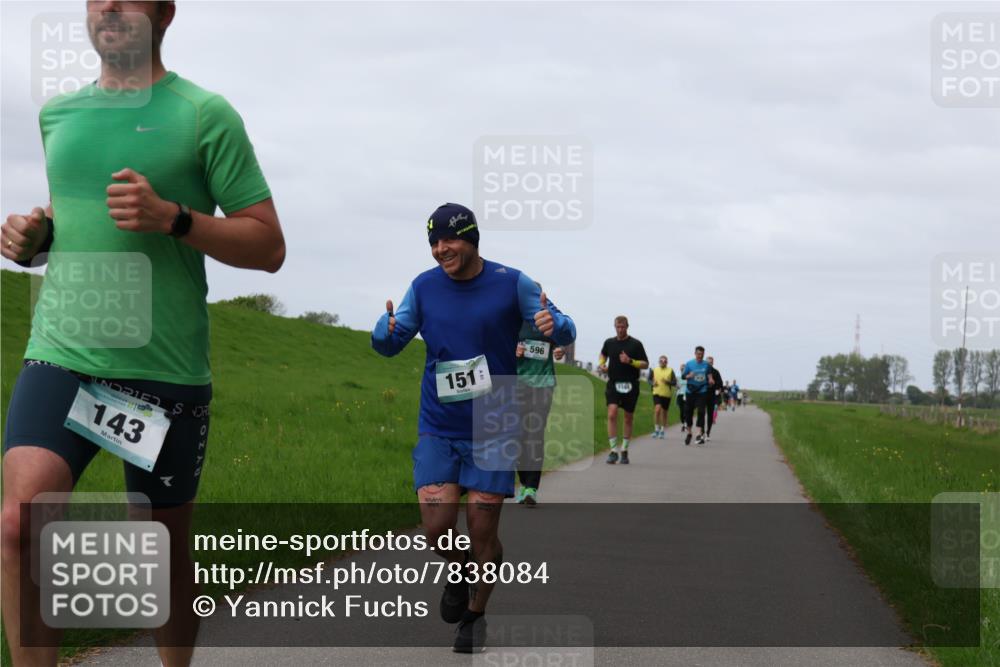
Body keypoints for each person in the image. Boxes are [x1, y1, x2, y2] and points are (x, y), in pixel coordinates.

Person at [1, 3, 285, 666]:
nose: (109, 7)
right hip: (64, 351)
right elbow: (79, 225)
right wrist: (37, 241)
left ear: (164, 13)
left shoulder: (204, 114)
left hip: (162, 369)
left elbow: (268, 245)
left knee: (158, 550)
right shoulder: (58, 115)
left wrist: (177, 219)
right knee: (18, 523)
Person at [371, 203, 575, 653]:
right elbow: (391, 341)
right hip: (439, 424)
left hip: (495, 422)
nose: (440, 249)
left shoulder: (512, 283)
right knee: (437, 527)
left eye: (448, 239)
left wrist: (554, 324)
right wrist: (384, 331)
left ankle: (475, 615)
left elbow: (563, 326)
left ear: (472, 238)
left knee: (483, 530)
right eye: (433, 242)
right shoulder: (424, 288)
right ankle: (460, 570)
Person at [514, 304, 565, 507]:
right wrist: (513, 348)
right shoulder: (514, 321)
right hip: (518, 384)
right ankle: (524, 483)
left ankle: (532, 489)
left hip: (544, 384)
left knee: (535, 433)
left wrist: (560, 350)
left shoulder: (548, 320)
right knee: (518, 436)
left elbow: (562, 341)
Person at [598, 316, 648, 465]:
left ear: (627, 327)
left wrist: (630, 361)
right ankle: (613, 451)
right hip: (613, 383)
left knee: (628, 417)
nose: (620, 330)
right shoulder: (609, 342)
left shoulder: (636, 344)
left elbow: (645, 364)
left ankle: (624, 450)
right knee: (612, 413)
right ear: (614, 327)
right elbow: (603, 354)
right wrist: (601, 364)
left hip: (631, 385)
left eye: (623, 327)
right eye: (617, 327)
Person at [682, 346, 714, 445]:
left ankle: (699, 433)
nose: (700, 356)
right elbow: (683, 376)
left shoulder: (706, 365)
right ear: (695, 354)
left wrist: (710, 380)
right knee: (688, 412)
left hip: (702, 390)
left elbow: (709, 375)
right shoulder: (689, 364)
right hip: (690, 391)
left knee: (701, 411)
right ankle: (689, 433)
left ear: (703, 354)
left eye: (701, 354)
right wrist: (689, 376)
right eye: (698, 354)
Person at [650, 356, 676, 439]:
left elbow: (674, 382)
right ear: (659, 361)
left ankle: (662, 430)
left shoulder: (670, 370)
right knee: (657, 410)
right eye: (661, 361)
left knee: (664, 413)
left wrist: (668, 382)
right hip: (656, 393)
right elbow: (649, 379)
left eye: (664, 361)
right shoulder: (654, 370)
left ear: (667, 362)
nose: (663, 362)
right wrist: (652, 383)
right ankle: (656, 429)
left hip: (666, 394)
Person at [705, 356, 724, 441]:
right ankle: (701, 432)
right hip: (702, 394)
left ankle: (707, 432)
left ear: (713, 363)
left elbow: (720, 383)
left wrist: (715, 385)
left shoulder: (716, 372)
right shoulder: (702, 371)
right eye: (707, 362)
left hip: (712, 395)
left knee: (710, 415)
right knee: (701, 413)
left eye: (710, 362)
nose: (709, 364)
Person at [677, 364, 688, 433]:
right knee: (681, 411)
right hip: (680, 395)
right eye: (681, 368)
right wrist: (677, 386)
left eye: (684, 368)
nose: (682, 369)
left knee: (686, 410)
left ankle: (686, 424)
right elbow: (676, 386)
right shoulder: (678, 377)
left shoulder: (688, 377)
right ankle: (683, 424)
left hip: (687, 395)